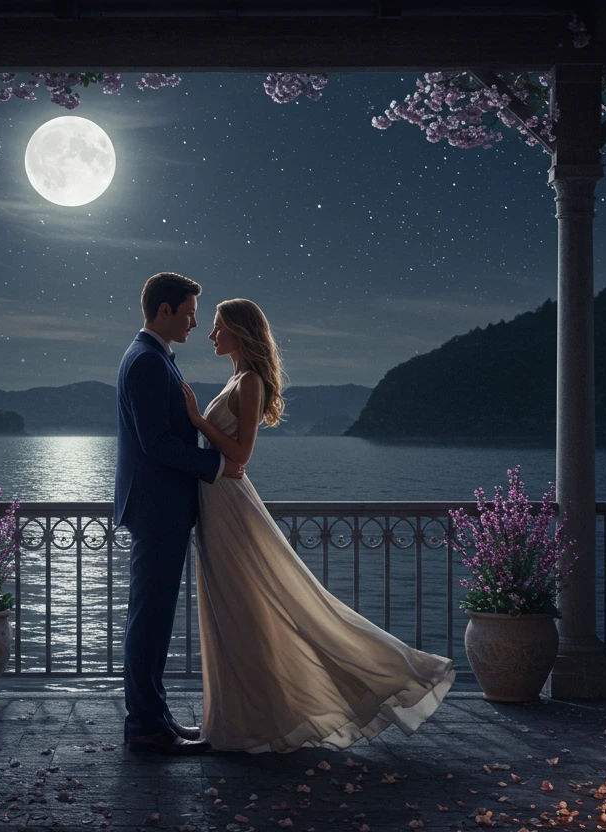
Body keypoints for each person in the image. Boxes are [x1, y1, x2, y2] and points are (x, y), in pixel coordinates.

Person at [181, 298, 455, 752]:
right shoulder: (235, 378)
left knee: (252, 607)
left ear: (240, 332)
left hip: (229, 505)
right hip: (217, 502)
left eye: (217, 328)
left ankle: (386, 675)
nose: (211, 336)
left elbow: (242, 455)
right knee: (235, 613)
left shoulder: (248, 381)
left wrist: (195, 420)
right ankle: (237, 722)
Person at [114, 272, 246, 755]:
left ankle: (156, 719)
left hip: (159, 508)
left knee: (152, 618)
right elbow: (158, 443)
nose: (195, 322)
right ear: (164, 310)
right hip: (156, 510)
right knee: (149, 621)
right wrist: (217, 464)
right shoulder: (147, 362)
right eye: (190, 312)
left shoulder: (152, 357)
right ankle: (146, 727)